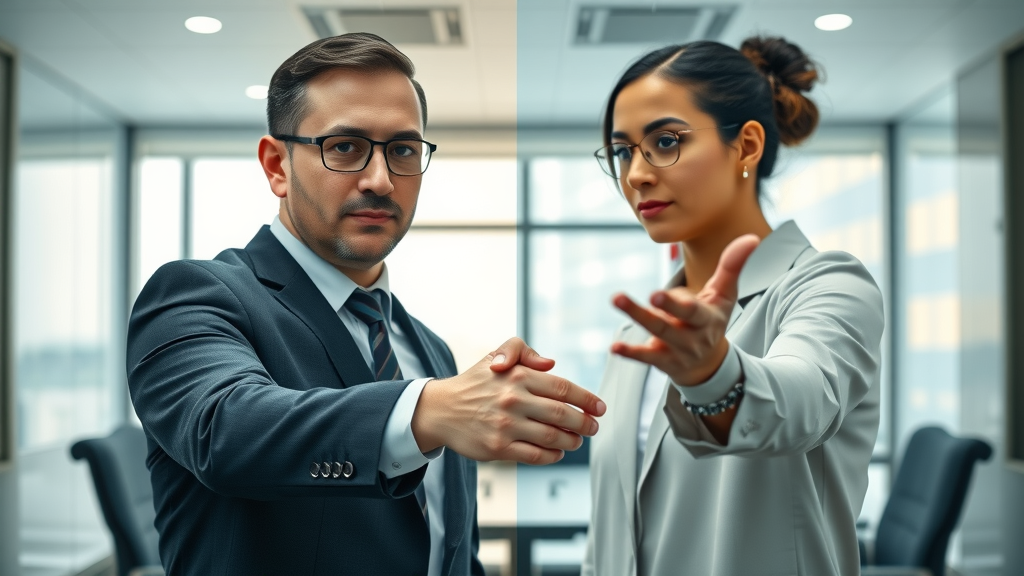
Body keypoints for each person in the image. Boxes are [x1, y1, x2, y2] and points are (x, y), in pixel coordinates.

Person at [126, 33, 605, 576]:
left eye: (402, 151)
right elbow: (224, 432)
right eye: (345, 147)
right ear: (277, 165)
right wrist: (427, 411)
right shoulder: (196, 295)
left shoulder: (430, 352)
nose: (381, 180)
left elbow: (449, 551)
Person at [582, 36, 884, 576]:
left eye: (666, 141)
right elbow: (610, 534)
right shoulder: (644, 333)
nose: (636, 175)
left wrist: (713, 376)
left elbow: (802, 402)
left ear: (745, 146)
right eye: (623, 151)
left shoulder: (829, 285)